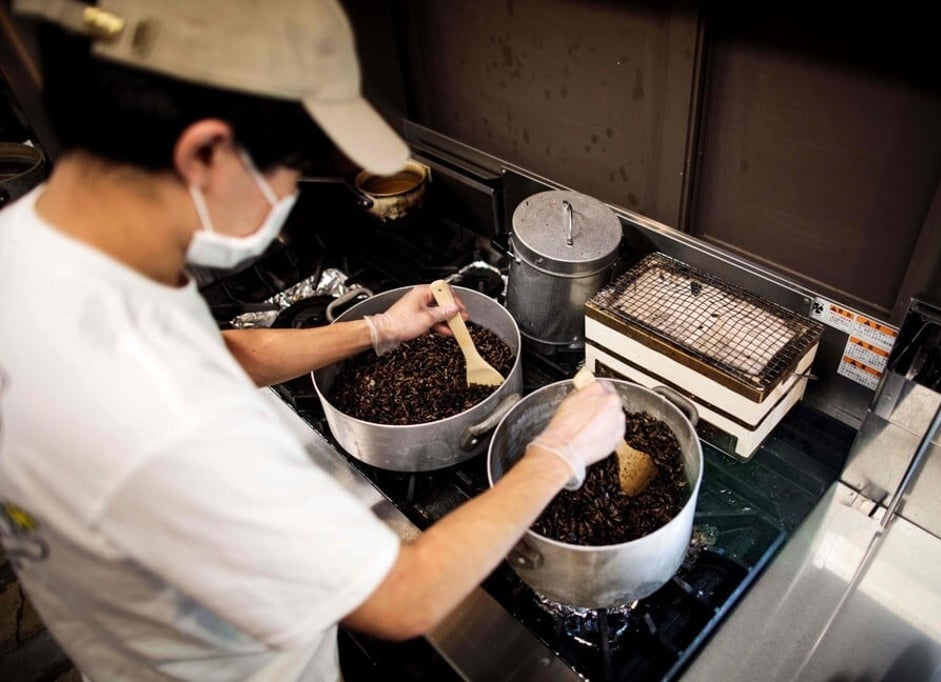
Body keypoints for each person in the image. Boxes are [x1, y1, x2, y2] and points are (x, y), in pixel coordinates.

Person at [0, 1, 626, 680]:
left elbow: (218, 352)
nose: (290, 189)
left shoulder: (33, 243)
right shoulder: (173, 422)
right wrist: (560, 453)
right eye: (291, 168)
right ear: (206, 153)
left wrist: (376, 329)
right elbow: (403, 596)